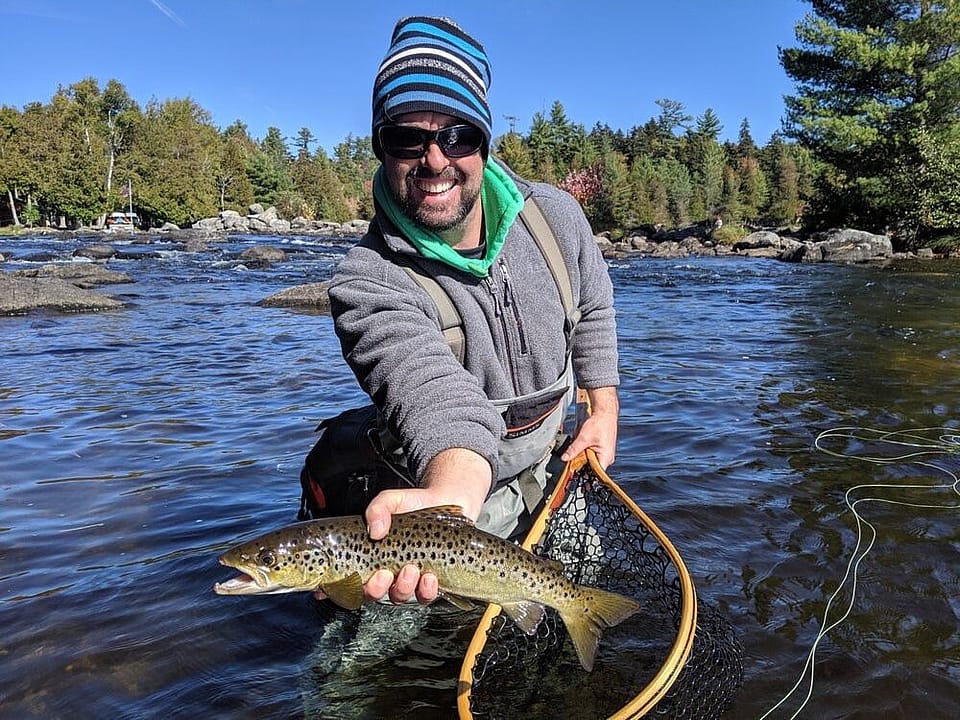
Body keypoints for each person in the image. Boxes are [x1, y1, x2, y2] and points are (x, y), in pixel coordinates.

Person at [324, 15, 619, 606]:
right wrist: (450, 503)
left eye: (457, 135)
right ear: (381, 146)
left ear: (484, 140)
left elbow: (592, 310)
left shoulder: (556, 218)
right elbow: (432, 393)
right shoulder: (368, 281)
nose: (434, 158)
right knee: (371, 670)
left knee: (570, 624)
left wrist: (603, 408)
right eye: (406, 137)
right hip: (433, 503)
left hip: (551, 476)